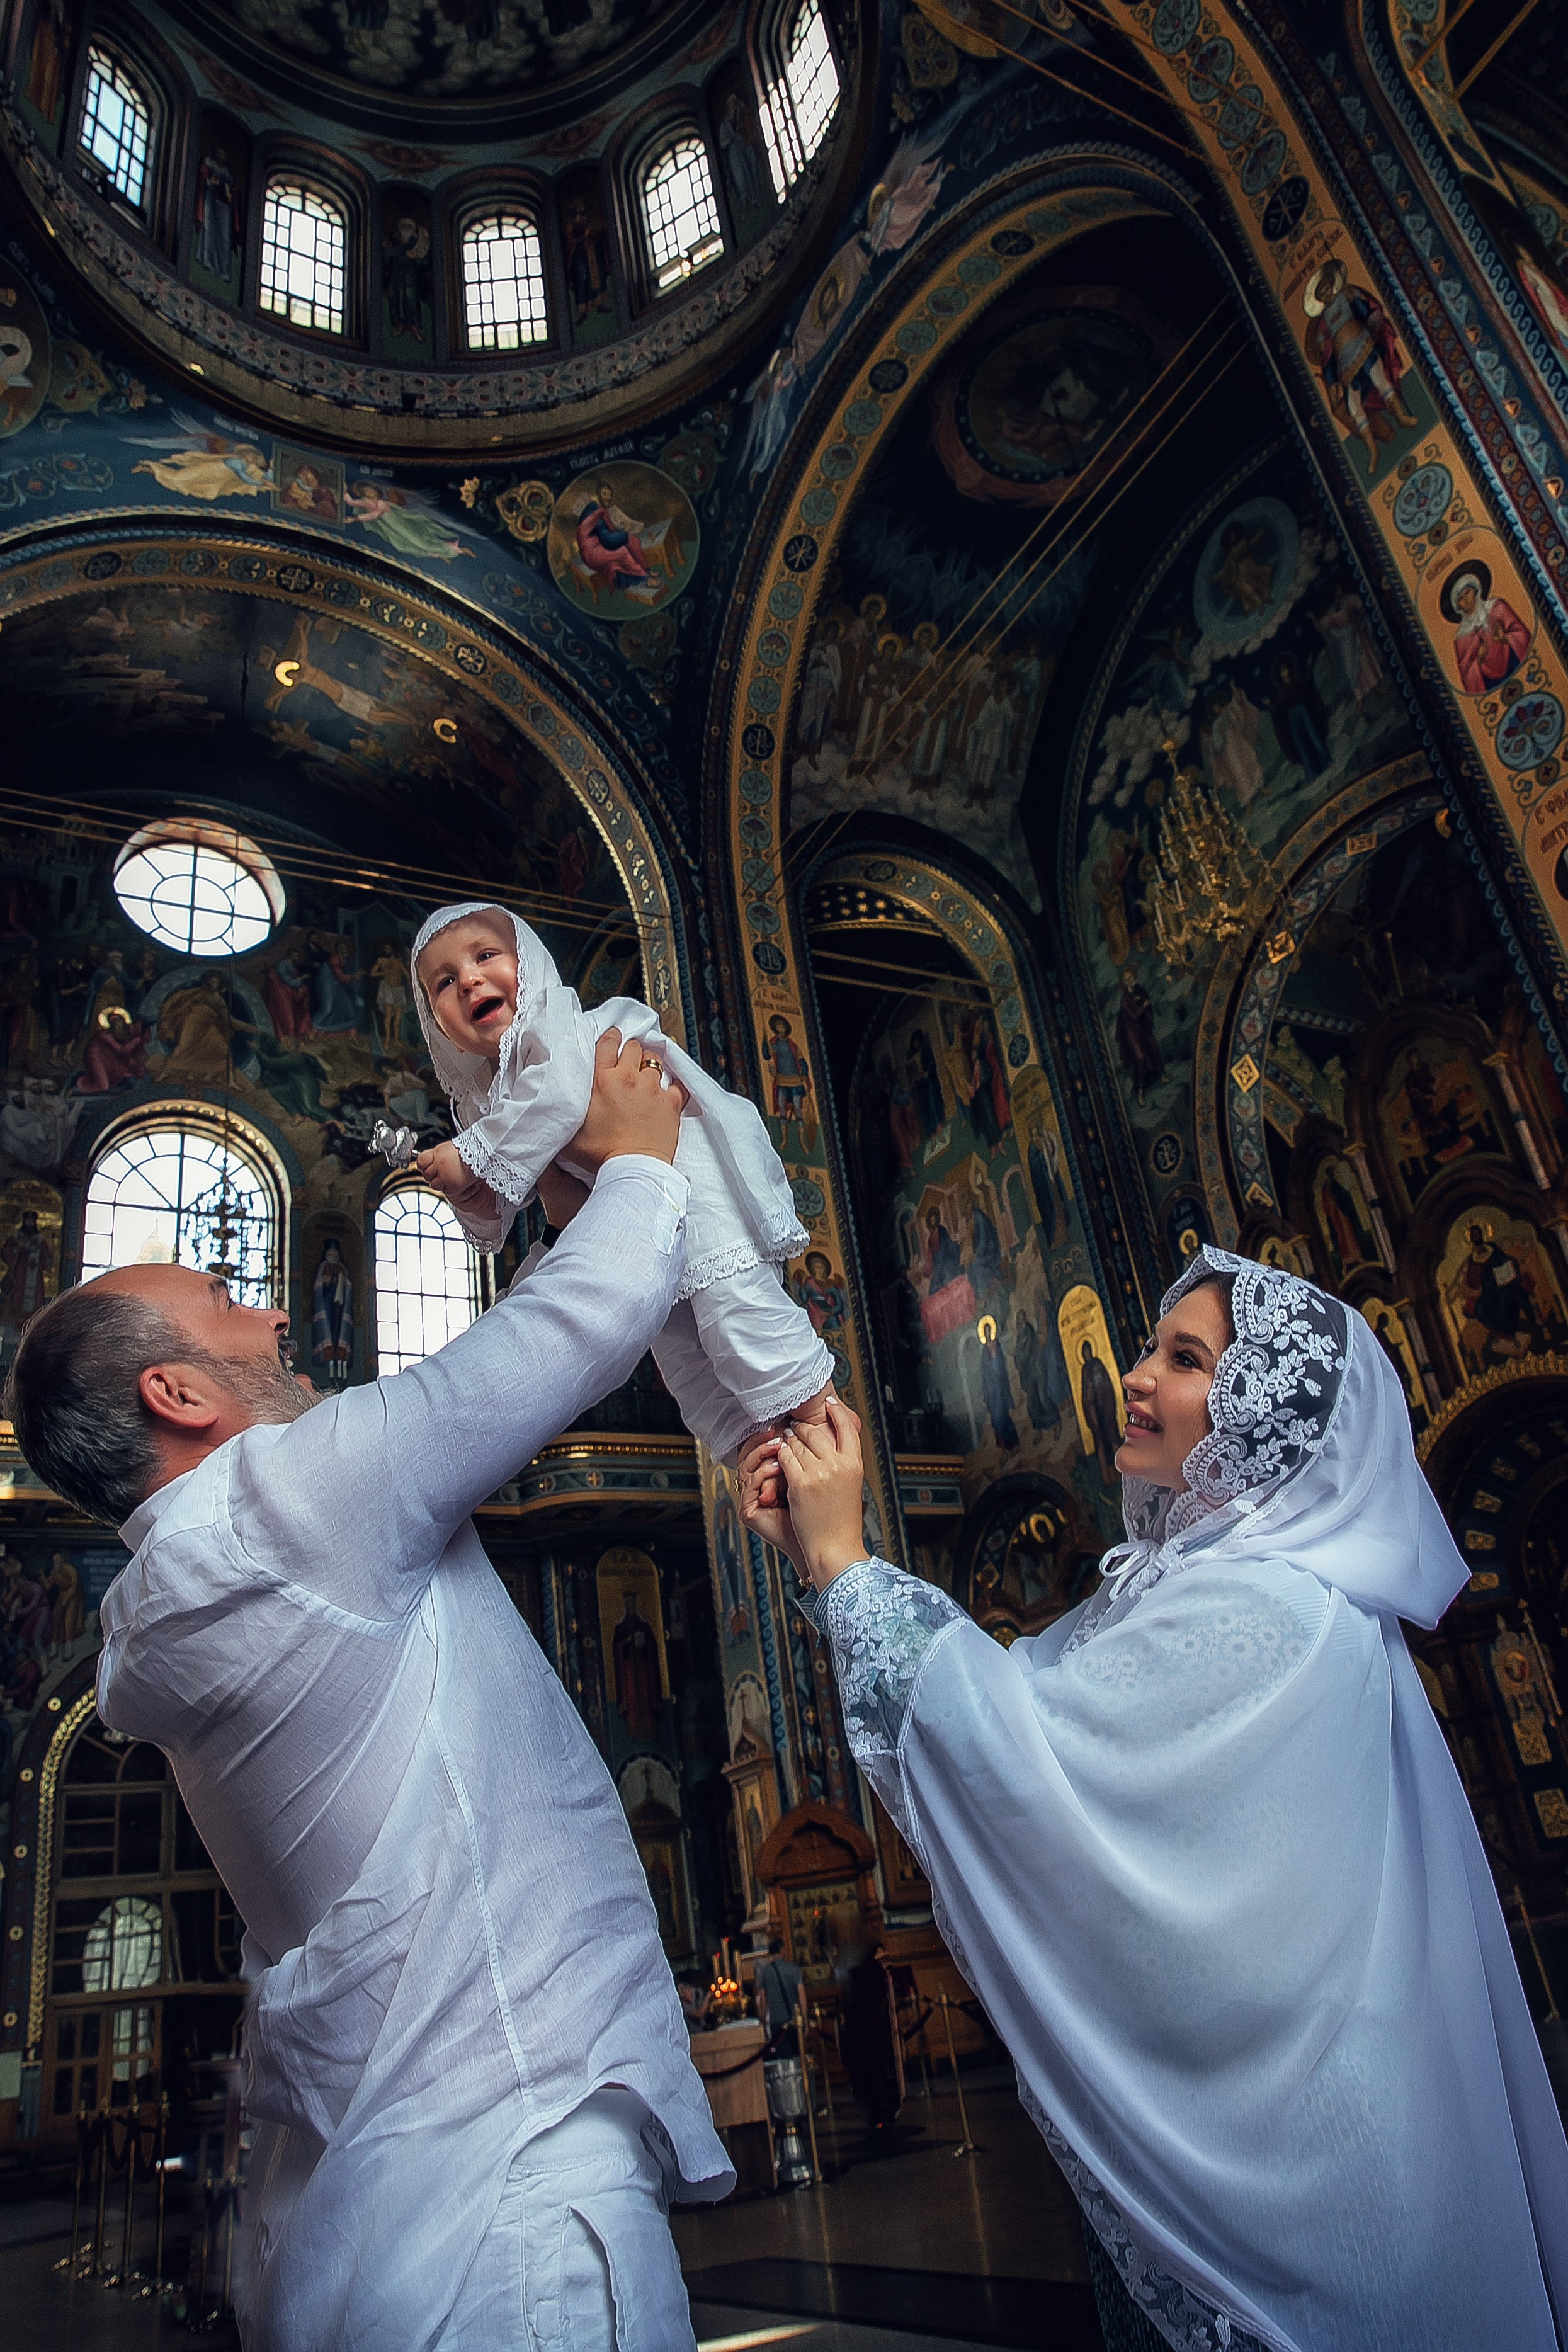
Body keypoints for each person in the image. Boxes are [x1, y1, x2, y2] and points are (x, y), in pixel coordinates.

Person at [4, 1035, 734, 2351]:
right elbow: (571, 1328)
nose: (276, 1312)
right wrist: (640, 1159)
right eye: (230, 1296)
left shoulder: (178, 1597)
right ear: (176, 1391)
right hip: (513, 2217)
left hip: (371, 2225)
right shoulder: (287, 1503)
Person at [738, 1247, 1568, 2352]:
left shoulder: (1273, 1607)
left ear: (1262, 1416)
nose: (1136, 1375)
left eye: (1185, 1359)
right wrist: (823, 1566)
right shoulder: (1190, 1586)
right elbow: (1020, 1706)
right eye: (1148, 1347)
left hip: (1309, 2182)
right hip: (1253, 2156)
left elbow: (1024, 1761)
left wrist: (849, 1572)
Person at [407, 904, 832, 1481]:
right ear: (437, 1022)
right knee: (681, 1357)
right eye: (444, 983)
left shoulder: (558, 1026)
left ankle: (823, 1421)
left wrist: (470, 1155)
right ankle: (754, 1457)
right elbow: (522, 1190)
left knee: (738, 1314)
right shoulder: (499, 1096)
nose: (470, 980)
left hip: (695, 1194)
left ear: (528, 963)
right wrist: (472, 1192)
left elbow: (556, 1101)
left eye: (486, 955)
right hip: (646, 1223)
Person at [754, 1936, 804, 2053]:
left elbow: (763, 2000)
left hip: (776, 2021)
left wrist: (763, 2022)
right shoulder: (794, 1969)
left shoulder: (765, 1972)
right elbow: (802, 1995)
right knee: (799, 2054)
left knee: (783, 2056)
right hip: (794, 2020)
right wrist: (805, 2020)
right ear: (782, 1950)